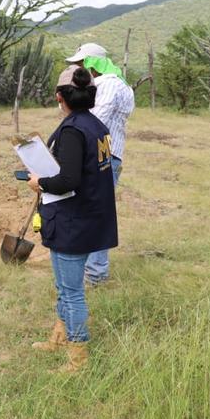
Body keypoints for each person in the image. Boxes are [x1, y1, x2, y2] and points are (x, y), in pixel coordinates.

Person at [27, 65, 118, 373]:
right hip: (93, 218)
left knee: (72, 291)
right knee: (65, 287)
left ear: (59, 97)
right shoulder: (97, 126)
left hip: (73, 222)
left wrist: (39, 182)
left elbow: (68, 180)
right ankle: (59, 335)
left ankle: (77, 358)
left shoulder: (71, 131)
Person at [65, 43, 134, 285]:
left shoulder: (108, 85)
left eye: (82, 64)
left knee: (95, 214)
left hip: (101, 156)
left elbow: (94, 121)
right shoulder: (118, 83)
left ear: (92, 64)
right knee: (91, 211)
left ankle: (95, 275)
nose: (79, 70)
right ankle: (89, 268)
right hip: (106, 155)